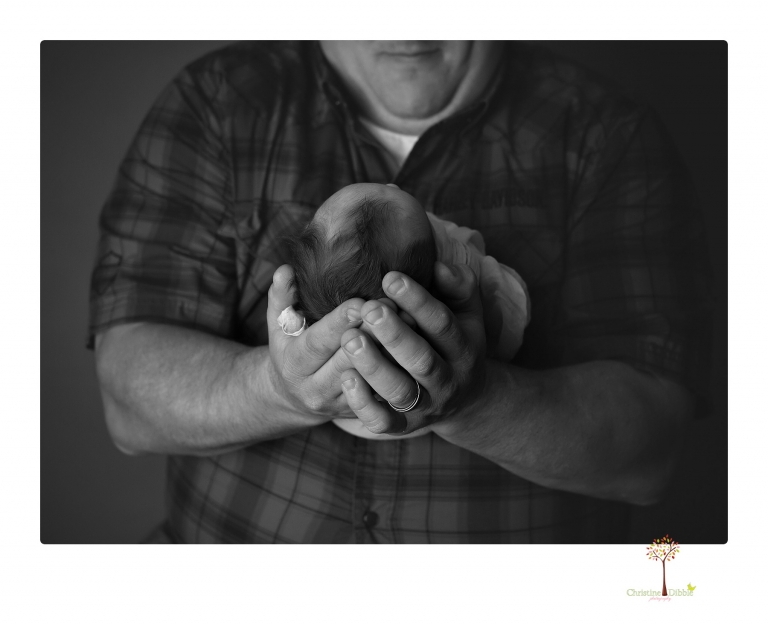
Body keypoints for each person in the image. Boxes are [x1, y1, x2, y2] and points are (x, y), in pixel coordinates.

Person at [90, 41, 712, 543]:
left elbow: (649, 453)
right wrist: (281, 388)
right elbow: (128, 399)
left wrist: (479, 398)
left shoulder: (606, 134)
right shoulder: (221, 102)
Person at [282, 181, 530, 441]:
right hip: (392, 405)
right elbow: (513, 302)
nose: (391, 183)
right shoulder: (450, 274)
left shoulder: (308, 299)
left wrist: (291, 323)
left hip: (351, 412)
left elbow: (295, 333)